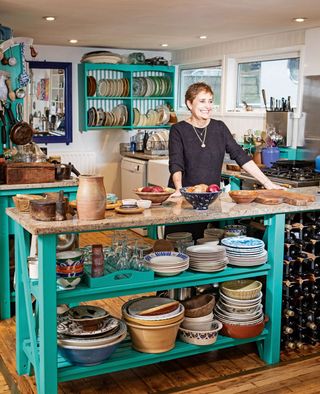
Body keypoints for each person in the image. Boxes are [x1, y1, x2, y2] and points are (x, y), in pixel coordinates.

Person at [166, 82, 283, 239]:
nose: (207, 106)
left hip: (209, 198)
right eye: (202, 101)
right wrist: (179, 189)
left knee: (200, 245)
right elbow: (176, 162)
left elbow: (240, 155)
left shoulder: (219, 128)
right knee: (178, 242)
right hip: (184, 198)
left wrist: (267, 183)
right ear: (189, 103)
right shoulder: (178, 129)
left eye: (210, 101)